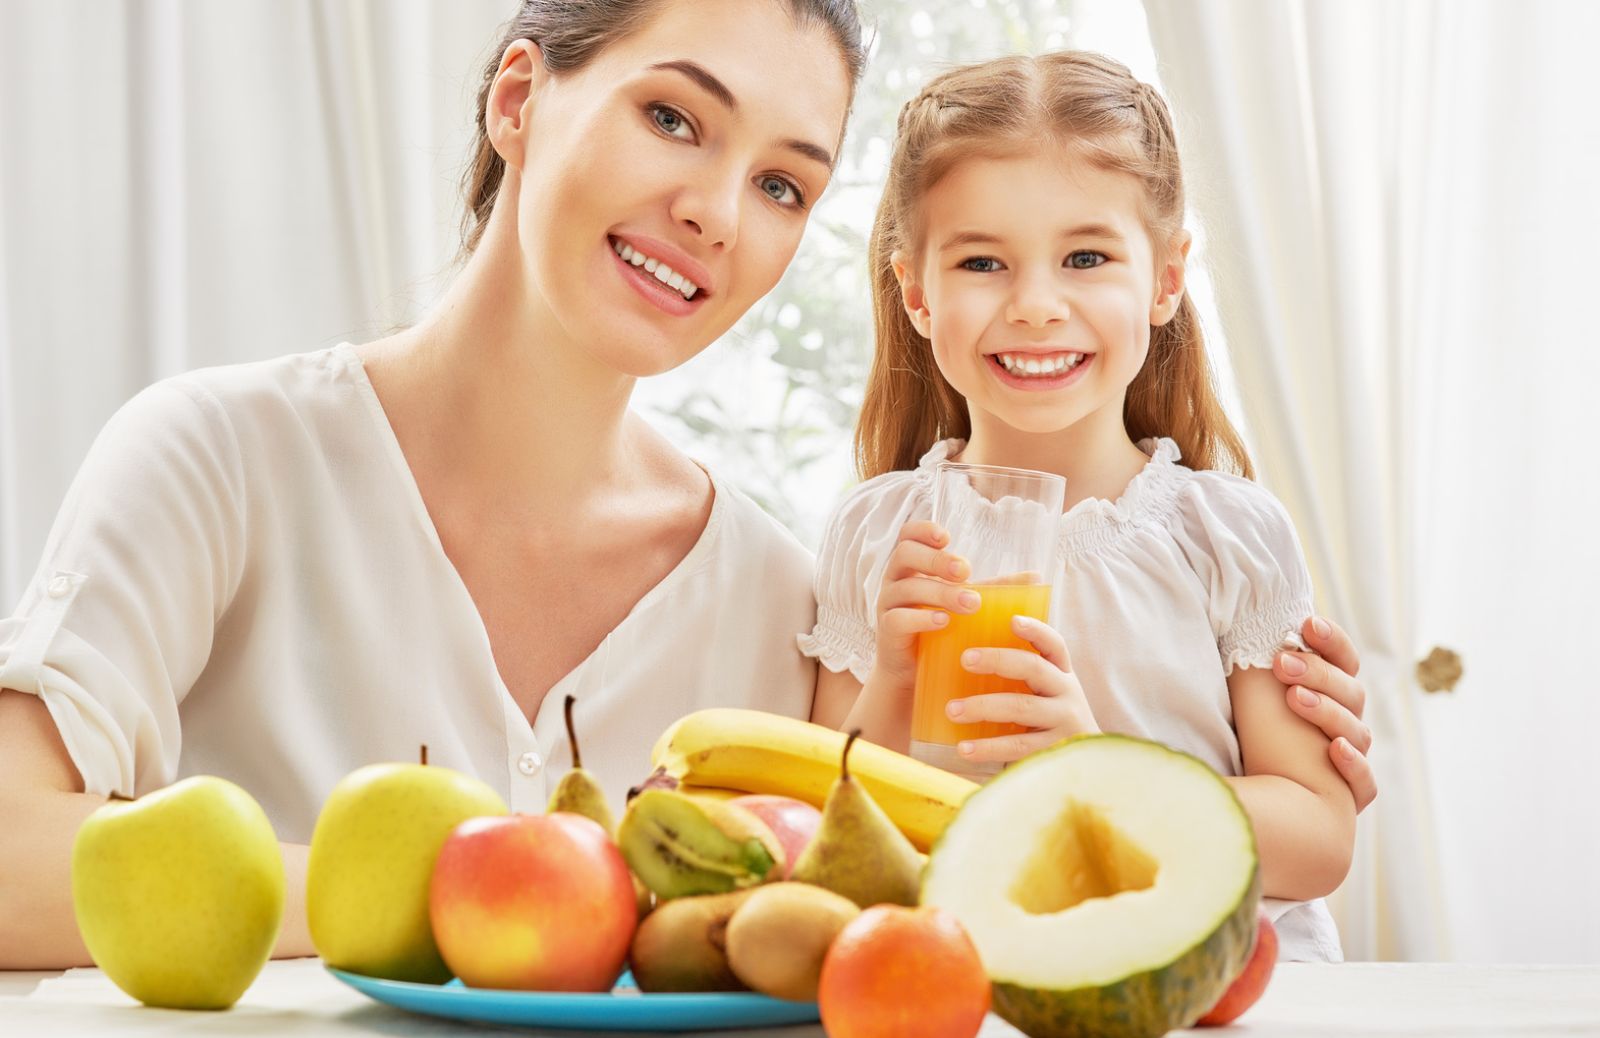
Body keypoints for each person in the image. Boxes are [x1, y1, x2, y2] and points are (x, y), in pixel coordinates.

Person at [0, 4, 1369, 971]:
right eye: (674, 116)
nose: (720, 210)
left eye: (784, 182)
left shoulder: (772, 593)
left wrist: (1205, 794)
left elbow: (844, 898)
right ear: (520, 98)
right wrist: (474, 875)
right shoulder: (217, 456)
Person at [802, 52, 1356, 961]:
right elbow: (833, 828)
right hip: (985, 979)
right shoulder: (880, 536)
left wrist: (1097, 771)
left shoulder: (1226, 534)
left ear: (1166, 280)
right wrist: (894, 682)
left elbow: (1318, 839)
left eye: (1086, 257)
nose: (1034, 306)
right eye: (982, 261)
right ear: (916, 295)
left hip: (1210, 990)